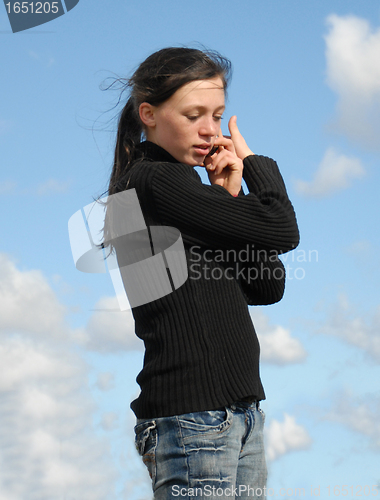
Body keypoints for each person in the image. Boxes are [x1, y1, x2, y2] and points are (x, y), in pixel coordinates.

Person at [104, 47, 299, 499]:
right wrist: (255, 166)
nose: (210, 130)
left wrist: (229, 200)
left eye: (217, 114)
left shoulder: (181, 191)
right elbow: (282, 227)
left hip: (238, 413)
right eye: (193, 114)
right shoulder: (152, 181)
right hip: (196, 418)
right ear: (148, 113)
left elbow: (268, 285)